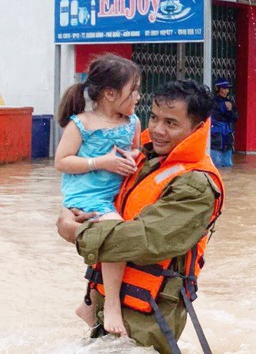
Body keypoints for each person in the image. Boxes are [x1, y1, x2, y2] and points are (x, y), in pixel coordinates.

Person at [57, 80, 224, 353]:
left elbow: (147, 239)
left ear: (196, 129)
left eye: (171, 123)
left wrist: (74, 232)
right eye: (154, 118)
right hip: (110, 301)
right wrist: (70, 211)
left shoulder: (196, 184)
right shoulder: (144, 158)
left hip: (148, 314)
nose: (157, 130)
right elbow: (98, 194)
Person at [55, 54, 142, 336]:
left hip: (114, 195)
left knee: (109, 241)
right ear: (109, 93)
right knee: (114, 236)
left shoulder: (133, 122)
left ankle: (88, 305)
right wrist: (100, 162)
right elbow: (62, 161)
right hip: (84, 196)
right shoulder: (81, 124)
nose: (138, 97)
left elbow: (138, 150)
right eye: (134, 91)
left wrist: (132, 157)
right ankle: (111, 305)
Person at [210, 77, 239, 167]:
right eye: (224, 88)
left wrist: (230, 110)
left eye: (227, 89)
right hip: (216, 139)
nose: (226, 91)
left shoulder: (230, 102)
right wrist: (225, 108)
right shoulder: (212, 102)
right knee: (216, 165)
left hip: (227, 139)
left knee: (228, 164)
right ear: (218, 89)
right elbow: (216, 116)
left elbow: (235, 118)